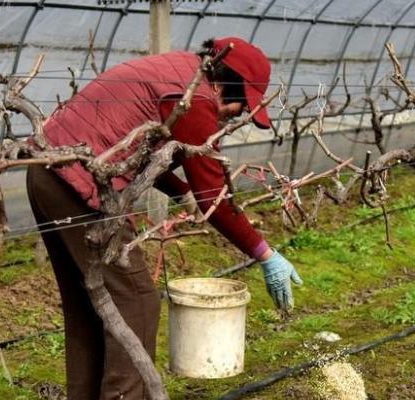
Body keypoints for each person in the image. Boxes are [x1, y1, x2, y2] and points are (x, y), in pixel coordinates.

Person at [26, 36, 302, 400]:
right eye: (242, 105)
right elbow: (214, 199)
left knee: (91, 305)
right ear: (225, 85)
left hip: (46, 173)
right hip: (79, 187)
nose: (238, 114)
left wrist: (180, 190)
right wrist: (266, 254)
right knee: (136, 301)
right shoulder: (196, 99)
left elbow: (143, 148)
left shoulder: (178, 71)